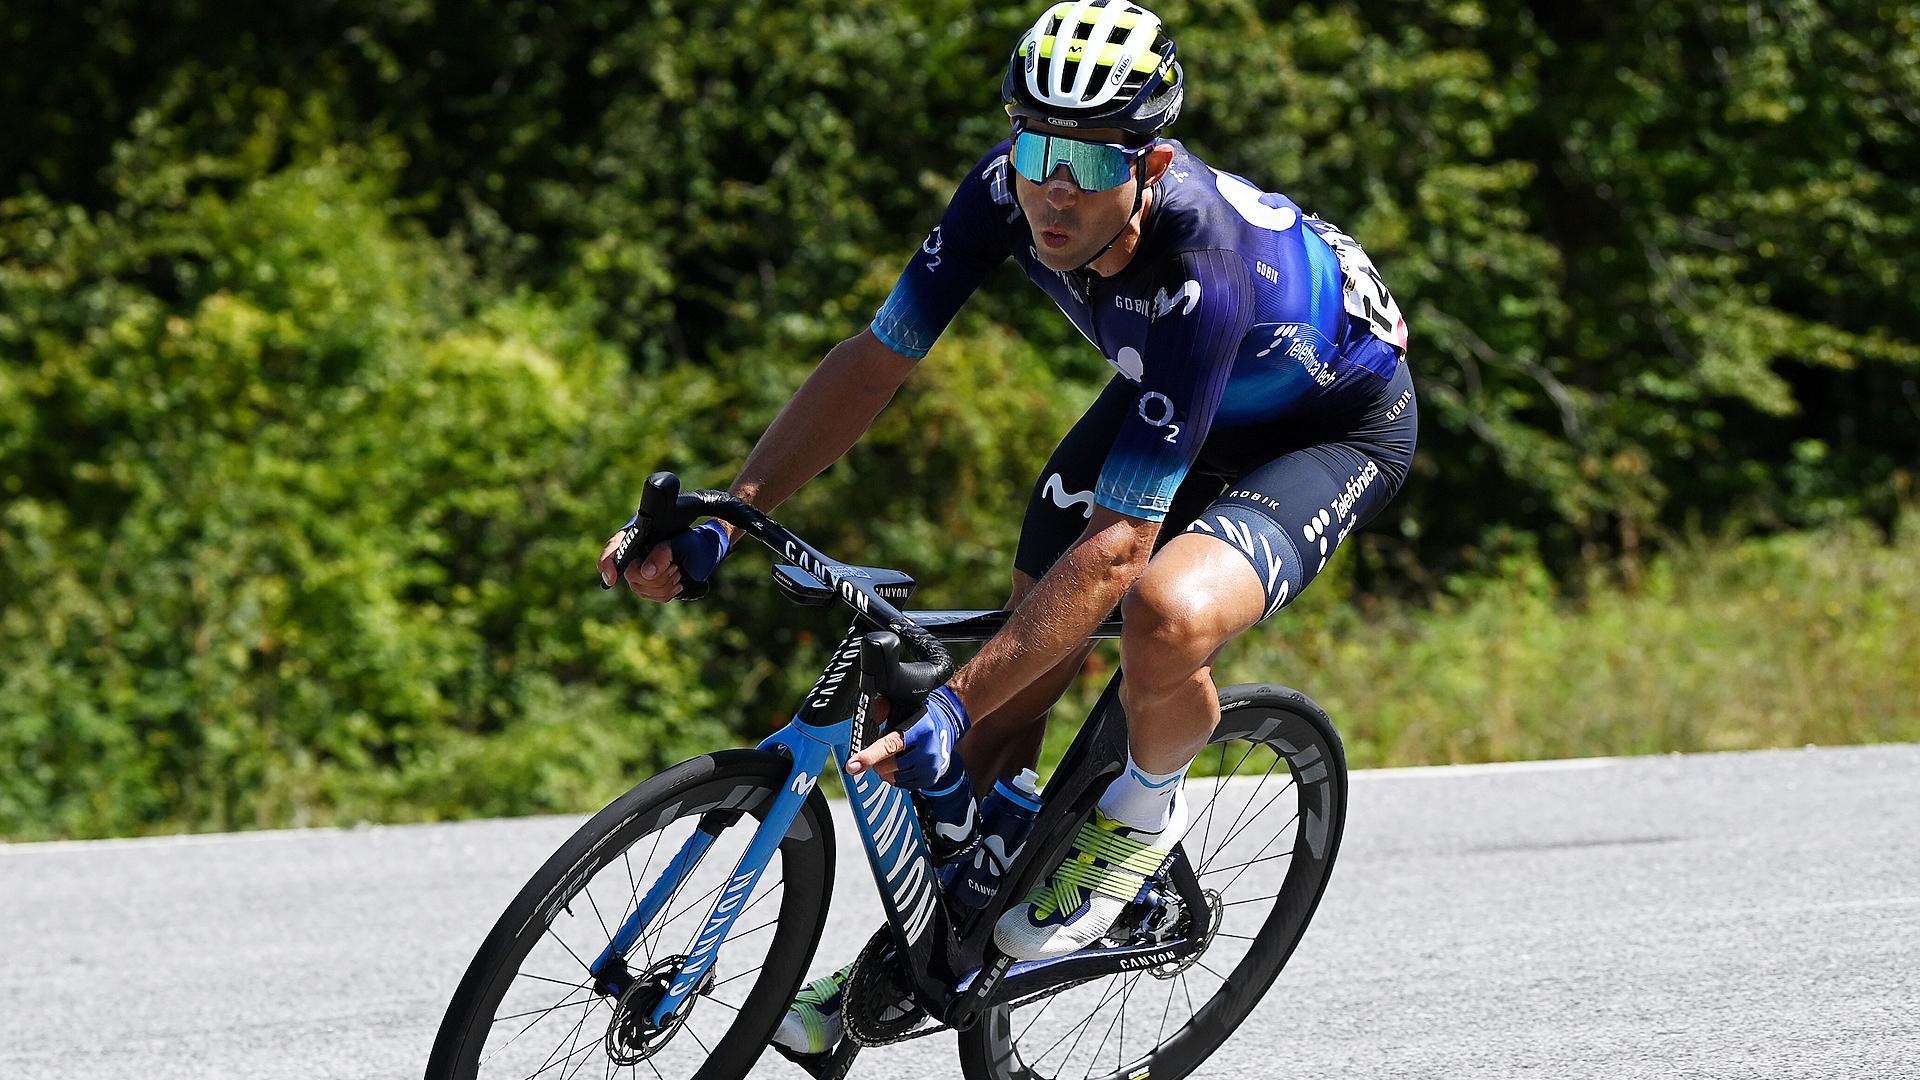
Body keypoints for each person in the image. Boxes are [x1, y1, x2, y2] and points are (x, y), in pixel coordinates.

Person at [597, 0, 1417, 1057]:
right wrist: (735, 511)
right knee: (1012, 681)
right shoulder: (1003, 192)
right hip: (1171, 394)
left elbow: (1122, 550)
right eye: (1035, 144)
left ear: (1152, 159)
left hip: (1329, 429)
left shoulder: (1202, 264)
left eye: (1084, 156)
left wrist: (954, 698)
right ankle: (943, 945)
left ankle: (1142, 809)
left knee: (1160, 612)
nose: (1052, 185)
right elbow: (877, 360)